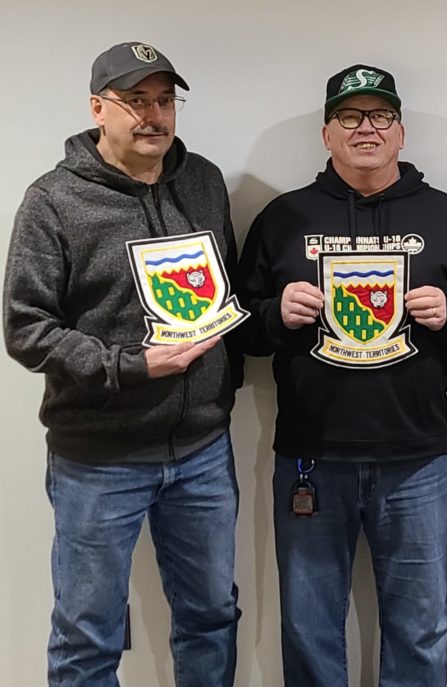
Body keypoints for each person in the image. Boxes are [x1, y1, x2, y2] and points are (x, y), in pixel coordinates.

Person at [237, 63, 447, 686]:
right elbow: (235, 327)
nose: (366, 129)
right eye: (349, 117)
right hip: (310, 458)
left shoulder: (446, 216)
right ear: (327, 134)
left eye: (380, 116)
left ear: (401, 133)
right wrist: (277, 314)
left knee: (420, 628)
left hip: (417, 458)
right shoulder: (282, 218)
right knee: (308, 628)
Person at [4, 42, 243, 686]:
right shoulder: (52, 200)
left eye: (165, 100)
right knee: (87, 634)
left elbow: (226, 292)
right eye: (135, 101)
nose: (153, 116)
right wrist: (129, 366)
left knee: (213, 618)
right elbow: (25, 329)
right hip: (98, 459)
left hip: (201, 452)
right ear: (97, 109)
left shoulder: (204, 181)